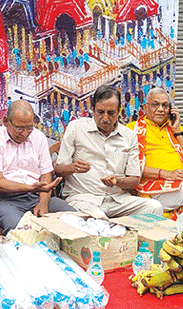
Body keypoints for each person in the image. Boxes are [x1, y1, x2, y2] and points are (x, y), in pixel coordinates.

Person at [55, 85, 163, 217]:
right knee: (98, 217)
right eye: (100, 112)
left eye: (111, 113)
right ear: (93, 110)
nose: (105, 118)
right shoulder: (76, 128)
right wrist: (73, 167)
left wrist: (117, 181)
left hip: (117, 199)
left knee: (154, 207)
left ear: (118, 112)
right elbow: (59, 170)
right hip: (83, 198)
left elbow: (134, 180)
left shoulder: (129, 136)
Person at [0, 100, 75, 233]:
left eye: (29, 127)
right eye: (19, 128)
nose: (25, 133)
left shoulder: (39, 137)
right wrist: (31, 187)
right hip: (4, 201)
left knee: (74, 219)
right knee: (20, 230)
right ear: (6, 121)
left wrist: (43, 202)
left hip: (36, 196)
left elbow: (46, 173)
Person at [126, 88, 183, 214]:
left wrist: (177, 131)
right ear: (145, 107)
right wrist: (166, 174)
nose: (160, 109)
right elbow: (129, 166)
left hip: (178, 188)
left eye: (165, 105)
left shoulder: (174, 128)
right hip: (151, 188)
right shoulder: (132, 129)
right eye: (155, 104)